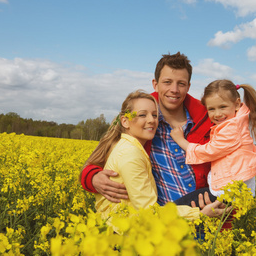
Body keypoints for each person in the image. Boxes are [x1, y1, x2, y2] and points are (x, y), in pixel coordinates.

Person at [80, 52, 214, 206]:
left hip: (205, 217)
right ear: (155, 84)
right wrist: (92, 177)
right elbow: (97, 159)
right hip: (158, 221)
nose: (174, 89)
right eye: (167, 82)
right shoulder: (139, 117)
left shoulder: (208, 119)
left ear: (188, 87)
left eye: (181, 84)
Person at [84, 90, 229, 220]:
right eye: (142, 115)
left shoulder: (128, 146)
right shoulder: (131, 154)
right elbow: (148, 212)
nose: (151, 120)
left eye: (154, 115)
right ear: (125, 121)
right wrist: (200, 215)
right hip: (125, 235)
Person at [170, 79, 256, 202]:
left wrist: (181, 140)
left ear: (237, 104)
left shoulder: (232, 129)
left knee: (174, 209)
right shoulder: (236, 122)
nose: (217, 114)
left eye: (222, 107)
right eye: (211, 109)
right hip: (233, 190)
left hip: (229, 193)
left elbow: (209, 151)